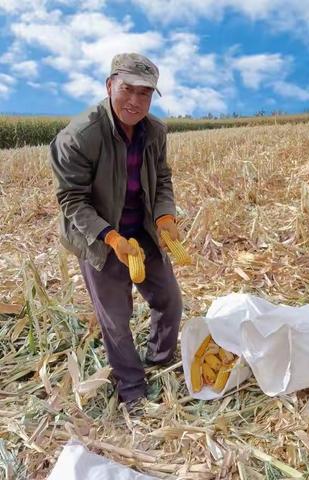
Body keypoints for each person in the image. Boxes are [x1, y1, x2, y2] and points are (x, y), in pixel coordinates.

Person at [49, 53, 183, 411]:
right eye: (127, 89)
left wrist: (165, 217)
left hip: (141, 231)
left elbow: (163, 178)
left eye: (145, 93)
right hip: (99, 237)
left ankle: (160, 358)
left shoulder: (155, 131)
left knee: (169, 300)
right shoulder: (79, 137)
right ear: (110, 86)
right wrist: (110, 238)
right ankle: (131, 388)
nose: (135, 101)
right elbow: (71, 200)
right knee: (116, 319)